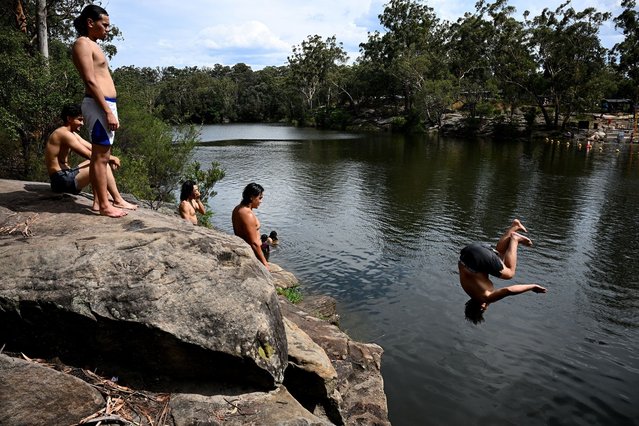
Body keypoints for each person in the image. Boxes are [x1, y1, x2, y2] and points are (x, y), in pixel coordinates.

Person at [72, 5, 124, 218]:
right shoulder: (82, 44)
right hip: (98, 105)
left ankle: (97, 202)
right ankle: (104, 205)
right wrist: (107, 111)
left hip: (105, 104)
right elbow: (90, 81)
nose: (107, 29)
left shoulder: (91, 44)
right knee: (101, 158)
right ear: (90, 23)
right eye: (105, 25)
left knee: (101, 156)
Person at [45, 104, 137, 212]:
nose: (82, 123)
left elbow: (93, 148)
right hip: (62, 180)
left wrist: (111, 157)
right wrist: (111, 159)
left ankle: (99, 200)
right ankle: (117, 200)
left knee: (99, 161)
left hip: (65, 177)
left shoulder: (71, 134)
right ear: (69, 119)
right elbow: (88, 154)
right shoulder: (63, 134)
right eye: (79, 120)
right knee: (101, 163)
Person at [458, 219, 547, 321]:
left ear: (482, 307)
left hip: (478, 259)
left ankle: (515, 239)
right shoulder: (468, 289)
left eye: (484, 310)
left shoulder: (485, 298)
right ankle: (515, 226)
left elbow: (508, 291)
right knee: (500, 256)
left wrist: (532, 287)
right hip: (468, 252)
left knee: (509, 273)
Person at [232, 183, 269, 270]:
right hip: (254, 253)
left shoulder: (238, 208)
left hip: (252, 251)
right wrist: (264, 263)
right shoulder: (247, 214)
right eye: (260, 198)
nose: (261, 201)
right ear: (252, 197)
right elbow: (254, 243)